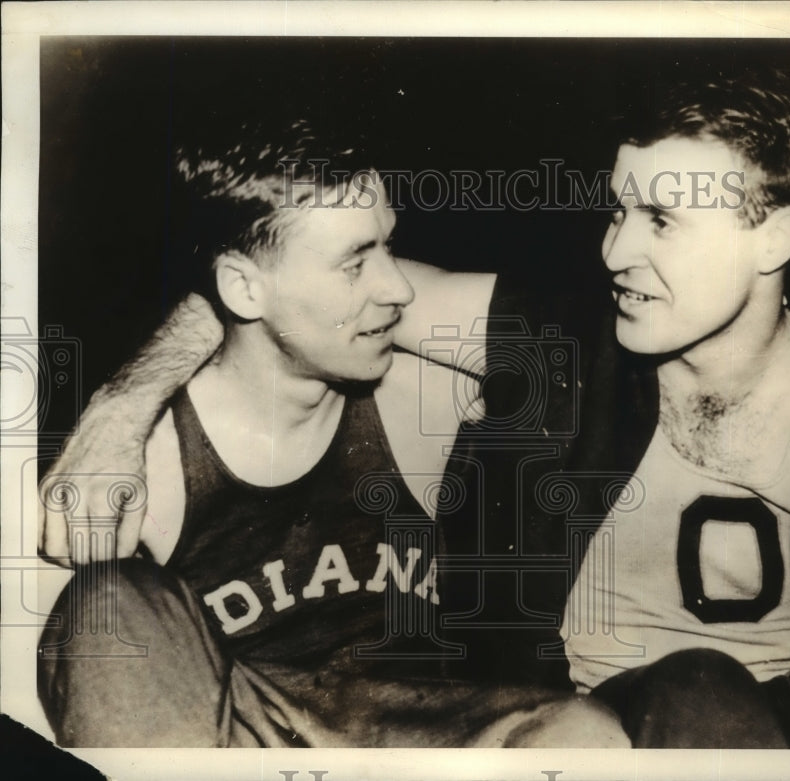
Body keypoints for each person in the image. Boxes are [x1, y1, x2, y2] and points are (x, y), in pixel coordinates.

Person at [39, 71, 790, 749]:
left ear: (776, 238)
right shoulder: (562, 340)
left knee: (708, 694)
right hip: (545, 725)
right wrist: (123, 401)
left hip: (738, 737)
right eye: (616, 210)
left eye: (661, 221)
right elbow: (287, 290)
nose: (616, 249)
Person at [36, 118, 628, 748]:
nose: (399, 289)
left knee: (582, 731)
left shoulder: (424, 397)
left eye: (388, 247)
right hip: (243, 737)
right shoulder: (135, 463)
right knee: (108, 606)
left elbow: (587, 345)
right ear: (241, 288)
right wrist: (123, 409)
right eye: (354, 263)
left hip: (423, 733)